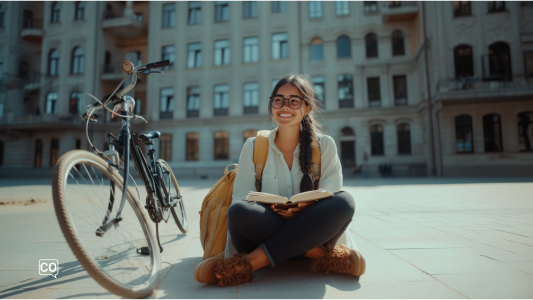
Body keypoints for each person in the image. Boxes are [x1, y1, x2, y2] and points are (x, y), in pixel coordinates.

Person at [194, 74, 365, 287]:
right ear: (272, 104)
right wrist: (275, 212)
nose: (285, 106)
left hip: (311, 231)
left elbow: (331, 193)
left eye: (294, 101)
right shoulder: (254, 146)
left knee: (344, 202)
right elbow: (240, 197)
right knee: (238, 211)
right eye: (279, 99)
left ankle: (248, 264)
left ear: (307, 108)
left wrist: (304, 209)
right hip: (268, 232)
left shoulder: (325, 146)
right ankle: (323, 257)